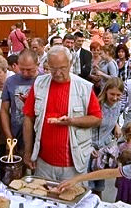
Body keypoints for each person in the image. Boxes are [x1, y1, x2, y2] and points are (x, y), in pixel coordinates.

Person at [22, 46, 102, 181]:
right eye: (53, 68)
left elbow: (97, 119)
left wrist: (72, 121)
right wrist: (28, 152)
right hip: (43, 163)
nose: (58, 73)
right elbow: (28, 119)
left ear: (70, 64)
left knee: (72, 199)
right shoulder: (39, 84)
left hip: (74, 164)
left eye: (63, 68)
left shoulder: (84, 87)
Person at [88, 78, 124, 197]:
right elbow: (87, 127)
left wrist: (116, 125)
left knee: (99, 186)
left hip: (104, 149)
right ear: (106, 92)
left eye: (118, 95)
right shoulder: (97, 104)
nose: (114, 98)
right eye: (112, 94)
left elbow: (112, 119)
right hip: (91, 148)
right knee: (88, 186)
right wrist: (89, 146)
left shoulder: (118, 105)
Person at [0, 49, 39, 152]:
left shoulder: (43, 80)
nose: (25, 73)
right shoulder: (10, 81)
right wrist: (9, 137)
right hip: (16, 134)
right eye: (22, 69)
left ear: (37, 64)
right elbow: (4, 110)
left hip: (38, 135)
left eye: (29, 70)